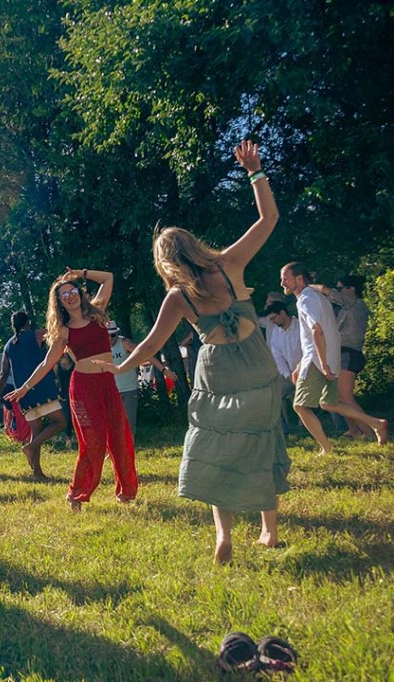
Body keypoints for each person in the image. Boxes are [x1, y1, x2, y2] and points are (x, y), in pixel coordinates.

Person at [98, 140, 284, 563]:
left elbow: (151, 344)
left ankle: (223, 535)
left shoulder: (179, 297)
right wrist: (255, 172)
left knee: (217, 445)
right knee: (260, 440)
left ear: (164, 261)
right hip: (255, 363)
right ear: (193, 243)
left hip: (217, 371)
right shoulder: (229, 264)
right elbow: (268, 218)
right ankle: (268, 533)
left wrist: (120, 366)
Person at [5, 268, 137, 511]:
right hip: (84, 389)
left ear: (79, 293)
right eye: (63, 295)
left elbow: (109, 278)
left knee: (120, 437)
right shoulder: (64, 331)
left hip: (108, 384)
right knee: (93, 442)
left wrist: (82, 273)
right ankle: (76, 494)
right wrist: (24, 388)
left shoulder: (97, 311)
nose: (69, 296)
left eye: (72, 291)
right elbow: (47, 363)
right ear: (59, 302)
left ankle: (126, 493)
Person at [281, 262, 389, 454]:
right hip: (328, 357)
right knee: (329, 403)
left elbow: (316, 330)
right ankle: (376, 423)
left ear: (299, 279)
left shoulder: (306, 299)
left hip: (318, 360)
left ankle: (326, 448)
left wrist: (322, 363)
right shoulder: (316, 297)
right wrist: (301, 365)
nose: (283, 283)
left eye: (286, 278)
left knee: (300, 406)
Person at [0, 311, 67, 480]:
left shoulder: (8, 345)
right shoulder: (37, 335)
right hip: (42, 388)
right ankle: (31, 446)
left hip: (22, 395)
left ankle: (37, 472)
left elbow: (3, 374)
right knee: (60, 422)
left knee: (36, 430)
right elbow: (57, 333)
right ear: (28, 323)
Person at [313, 276, 375, 437]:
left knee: (345, 397)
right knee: (340, 397)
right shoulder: (350, 306)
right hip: (346, 352)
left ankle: (369, 431)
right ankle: (354, 429)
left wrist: (305, 286)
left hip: (349, 353)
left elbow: (325, 290)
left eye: (340, 289)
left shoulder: (353, 303)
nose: (337, 292)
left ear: (351, 289)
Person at [107, 321, 175, 436]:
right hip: (110, 390)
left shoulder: (125, 343)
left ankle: (129, 450)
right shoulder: (99, 347)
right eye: (107, 335)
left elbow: (146, 354)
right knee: (112, 423)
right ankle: (114, 451)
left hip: (129, 388)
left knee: (129, 423)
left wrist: (164, 370)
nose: (110, 338)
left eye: (113, 335)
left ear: (117, 333)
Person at [261, 301, 303, 435]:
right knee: (273, 394)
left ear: (283, 313)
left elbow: (308, 349)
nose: (272, 322)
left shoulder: (301, 327)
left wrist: (300, 370)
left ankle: (339, 426)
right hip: (289, 374)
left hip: (309, 370)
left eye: (274, 318)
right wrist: (288, 375)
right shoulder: (276, 333)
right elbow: (277, 356)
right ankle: (285, 431)